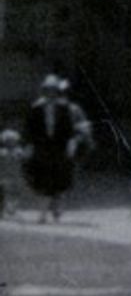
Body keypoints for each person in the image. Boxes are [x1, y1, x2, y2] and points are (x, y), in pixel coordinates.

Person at [21, 75, 83, 223]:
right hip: (42, 147)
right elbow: (29, 129)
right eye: (48, 90)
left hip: (59, 147)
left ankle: (56, 209)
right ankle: (43, 214)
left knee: (59, 180)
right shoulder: (37, 108)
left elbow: (69, 129)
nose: (51, 93)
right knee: (43, 180)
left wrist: (71, 145)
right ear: (44, 91)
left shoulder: (63, 108)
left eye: (54, 90)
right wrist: (28, 145)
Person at [0, 129, 25, 219]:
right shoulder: (2, 152)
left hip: (16, 175)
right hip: (4, 175)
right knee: (3, 192)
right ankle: (3, 209)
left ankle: (12, 207)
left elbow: (22, 163)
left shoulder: (19, 152)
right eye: (8, 140)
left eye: (12, 140)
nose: (10, 142)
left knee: (16, 192)